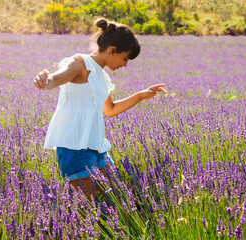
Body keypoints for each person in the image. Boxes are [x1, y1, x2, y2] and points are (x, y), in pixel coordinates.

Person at [33, 18, 167, 200]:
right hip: (74, 145)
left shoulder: (101, 76)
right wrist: (44, 80)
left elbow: (110, 110)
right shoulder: (80, 63)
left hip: (95, 143)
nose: (125, 65)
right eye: (125, 58)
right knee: (89, 207)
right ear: (113, 50)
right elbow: (56, 79)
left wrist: (141, 95)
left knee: (120, 199)